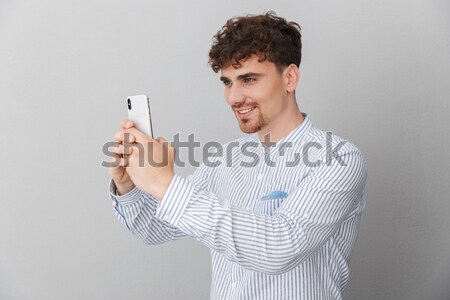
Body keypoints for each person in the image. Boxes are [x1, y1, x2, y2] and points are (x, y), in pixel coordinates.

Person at [108, 12, 367, 300]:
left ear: (290, 77)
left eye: (248, 79)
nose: (233, 97)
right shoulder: (223, 160)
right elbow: (155, 230)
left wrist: (165, 184)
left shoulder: (338, 159)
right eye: (227, 82)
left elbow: (280, 247)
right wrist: (128, 186)